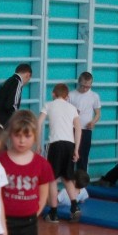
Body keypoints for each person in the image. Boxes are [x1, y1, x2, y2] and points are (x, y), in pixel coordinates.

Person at [38, 83, 82, 223]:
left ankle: (53, 213)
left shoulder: (48, 105)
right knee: (67, 177)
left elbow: (38, 123)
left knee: (52, 179)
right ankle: (74, 206)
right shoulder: (72, 108)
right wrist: (76, 149)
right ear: (67, 96)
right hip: (69, 145)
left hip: (56, 144)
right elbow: (78, 128)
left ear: (53, 94)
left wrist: (37, 144)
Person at [69, 71, 102, 174]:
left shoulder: (94, 96)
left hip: (86, 130)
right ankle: (69, 181)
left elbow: (98, 113)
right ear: (79, 82)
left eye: (88, 87)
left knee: (83, 158)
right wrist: (73, 112)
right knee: (70, 158)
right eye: (83, 86)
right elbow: (65, 114)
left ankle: (81, 182)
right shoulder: (71, 95)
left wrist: (93, 122)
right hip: (72, 130)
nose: (85, 89)